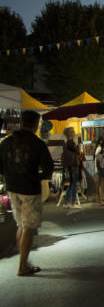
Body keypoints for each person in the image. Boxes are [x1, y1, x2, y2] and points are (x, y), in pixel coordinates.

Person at [0, 110, 54, 276]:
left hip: (12, 186)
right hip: (29, 188)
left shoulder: (6, 142)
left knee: (21, 225)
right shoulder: (37, 143)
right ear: (36, 124)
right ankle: (23, 265)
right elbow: (48, 168)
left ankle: (24, 262)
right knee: (29, 227)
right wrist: (37, 176)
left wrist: (9, 174)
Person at [62, 127, 81, 208]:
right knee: (73, 185)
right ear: (70, 133)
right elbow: (78, 153)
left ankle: (66, 202)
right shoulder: (71, 143)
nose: (74, 132)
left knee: (71, 184)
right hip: (74, 166)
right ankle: (72, 202)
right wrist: (78, 147)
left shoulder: (66, 144)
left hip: (69, 166)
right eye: (73, 131)